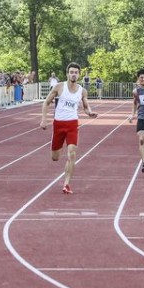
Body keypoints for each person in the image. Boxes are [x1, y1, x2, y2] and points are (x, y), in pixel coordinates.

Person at [40, 62, 98, 195]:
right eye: (71, 72)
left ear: (79, 74)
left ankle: (66, 184)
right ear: (67, 74)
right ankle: (60, 155)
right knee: (55, 157)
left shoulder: (82, 90)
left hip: (72, 124)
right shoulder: (59, 87)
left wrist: (90, 112)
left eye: (76, 72)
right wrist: (44, 119)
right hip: (59, 124)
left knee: (72, 153)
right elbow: (46, 102)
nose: (73, 74)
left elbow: (86, 106)